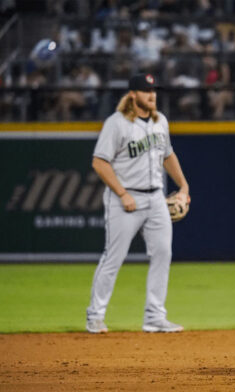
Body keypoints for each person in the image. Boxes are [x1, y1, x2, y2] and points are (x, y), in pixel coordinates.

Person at [86, 73, 190, 334]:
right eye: (146, 91)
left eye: (154, 90)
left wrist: (183, 185)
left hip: (156, 197)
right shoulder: (116, 124)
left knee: (163, 254)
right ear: (132, 95)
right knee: (114, 257)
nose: (152, 95)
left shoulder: (160, 121)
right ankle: (95, 316)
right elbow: (99, 162)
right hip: (125, 199)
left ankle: (154, 317)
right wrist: (122, 193)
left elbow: (168, 155)